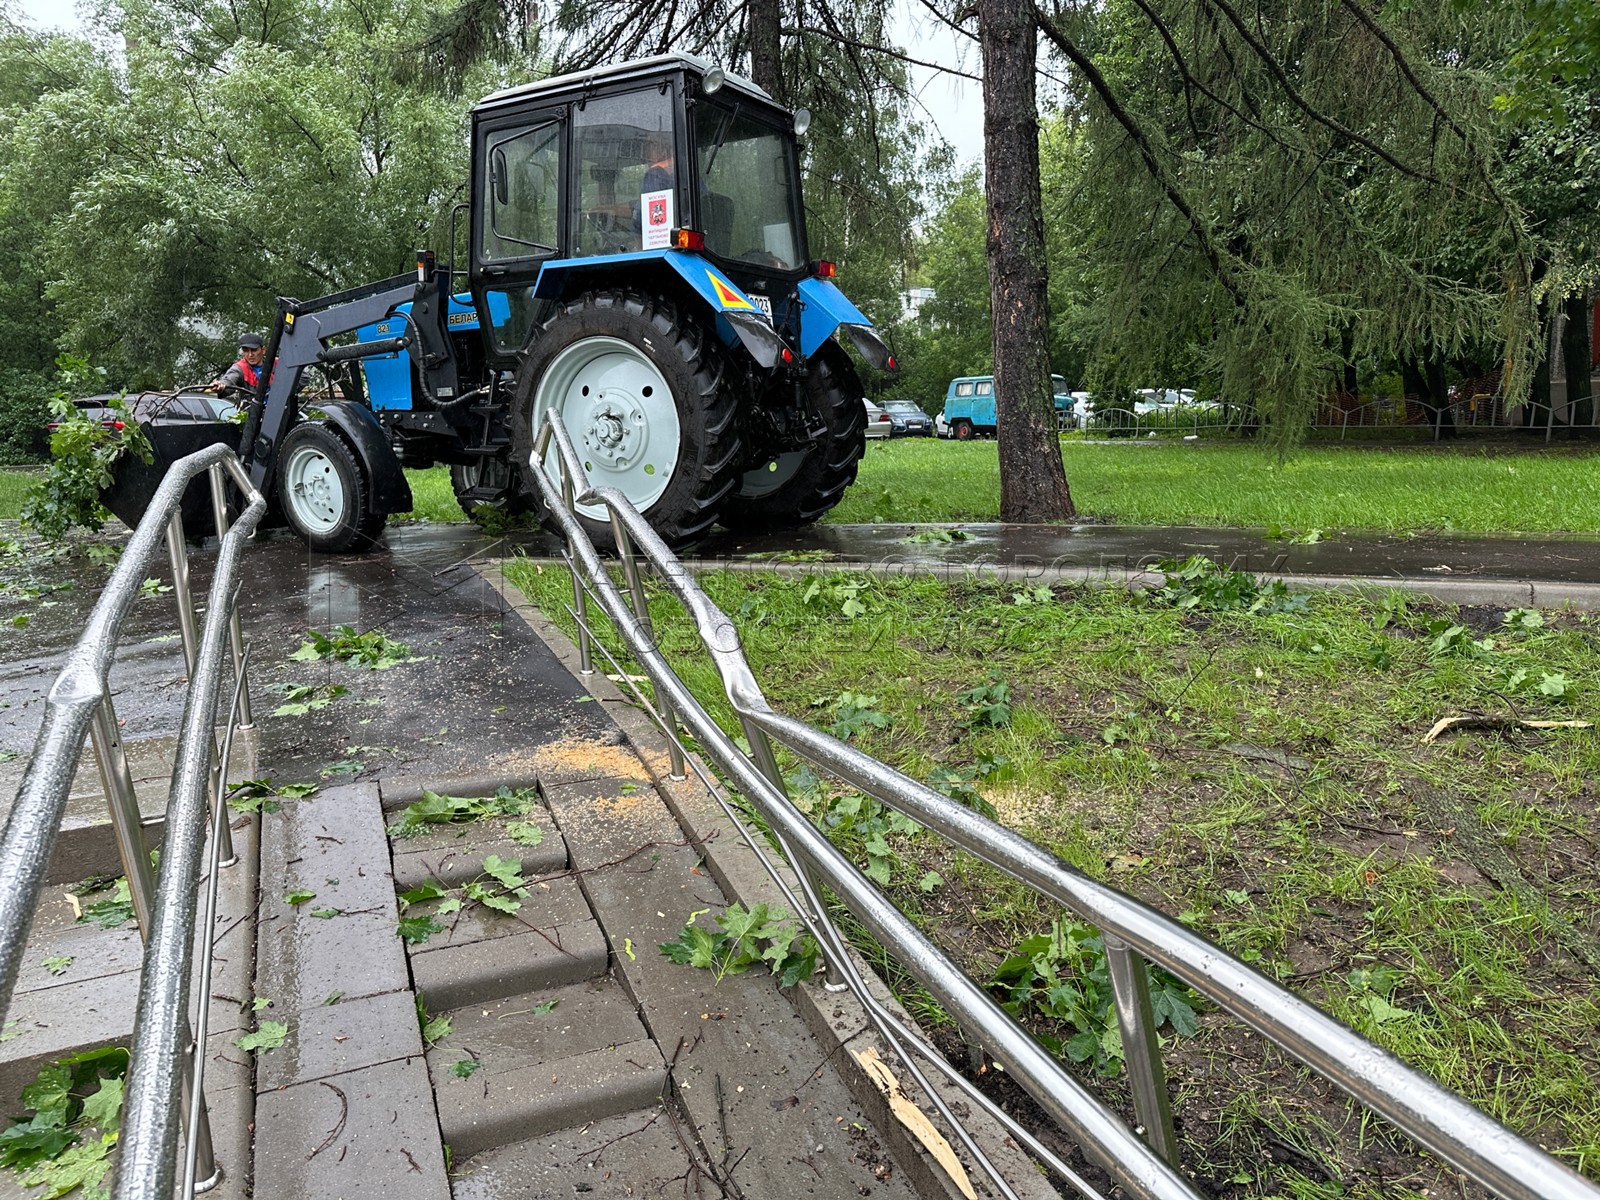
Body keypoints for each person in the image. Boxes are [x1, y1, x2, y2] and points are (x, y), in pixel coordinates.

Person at [211, 333, 267, 398]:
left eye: (254, 350)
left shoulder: (276, 365)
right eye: (246, 350)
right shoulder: (239, 368)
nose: (250, 355)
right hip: (251, 407)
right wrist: (221, 385)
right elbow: (229, 380)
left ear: (263, 350)